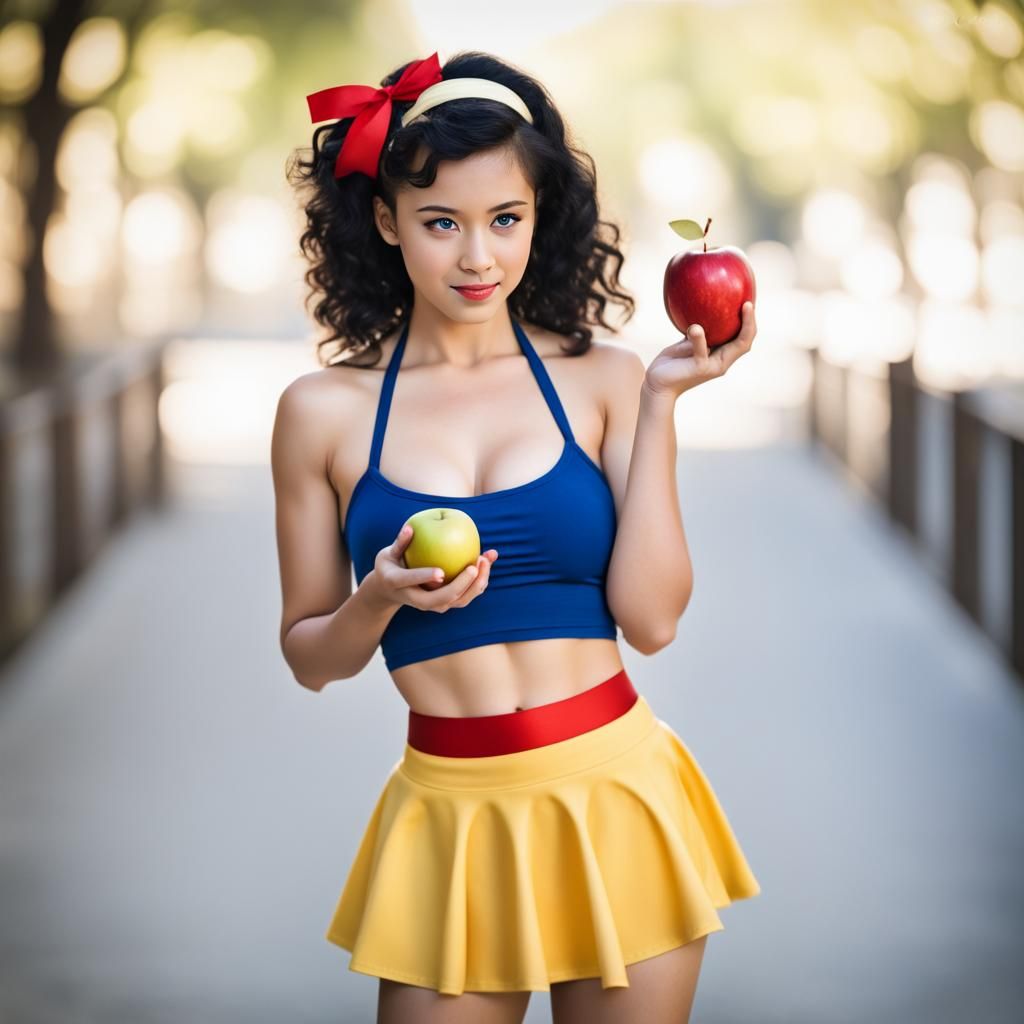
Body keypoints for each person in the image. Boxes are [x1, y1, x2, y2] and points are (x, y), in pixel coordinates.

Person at [275, 49, 760, 1024]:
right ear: (385, 220)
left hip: (616, 791)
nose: (476, 257)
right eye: (440, 223)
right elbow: (309, 656)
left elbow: (652, 620)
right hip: (447, 812)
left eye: (505, 220)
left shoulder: (608, 380)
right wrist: (377, 596)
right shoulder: (321, 411)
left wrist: (661, 406)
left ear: (540, 219)